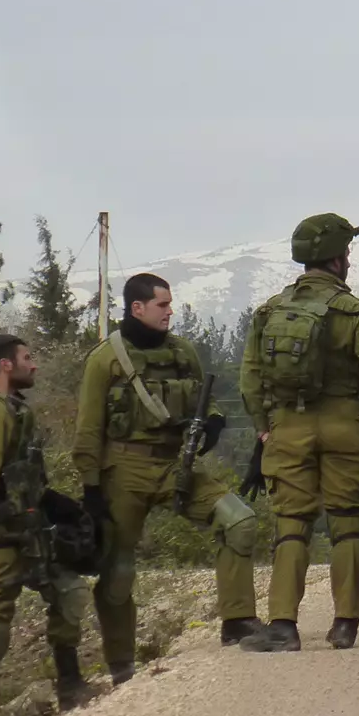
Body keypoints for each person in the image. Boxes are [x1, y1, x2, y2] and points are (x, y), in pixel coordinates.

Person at [73, 273, 261, 675]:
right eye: (162, 305)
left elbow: (201, 402)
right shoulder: (105, 359)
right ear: (137, 308)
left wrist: (211, 424)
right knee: (118, 570)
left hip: (177, 464)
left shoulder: (182, 352)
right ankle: (121, 664)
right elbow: (88, 430)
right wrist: (91, 491)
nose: (170, 312)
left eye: (170, 304)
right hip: (123, 468)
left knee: (240, 521)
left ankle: (238, 621)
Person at [239, 214, 359, 652]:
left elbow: (250, 380)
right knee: (346, 521)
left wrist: (263, 426)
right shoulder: (357, 312)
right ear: (339, 258)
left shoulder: (270, 311)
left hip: (289, 426)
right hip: (345, 424)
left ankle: (284, 625)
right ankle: (345, 624)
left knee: (292, 524)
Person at [0, 333, 93, 716]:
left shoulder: (16, 411)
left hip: (30, 531)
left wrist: (56, 507)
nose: (34, 365)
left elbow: (25, 477)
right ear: (5, 365)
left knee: (70, 592)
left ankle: (71, 686)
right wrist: (7, 521)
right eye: (27, 358)